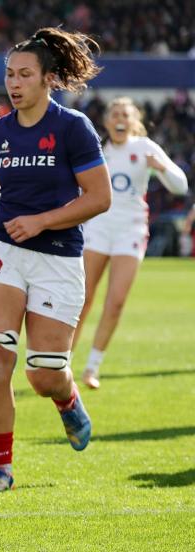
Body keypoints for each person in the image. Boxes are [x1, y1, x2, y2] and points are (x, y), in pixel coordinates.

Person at [0, 28, 112, 493]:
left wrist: (42, 221)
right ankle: (1, 468)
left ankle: (67, 397)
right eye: (10, 75)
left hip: (58, 259)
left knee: (43, 375)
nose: (13, 84)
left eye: (24, 75)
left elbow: (100, 197)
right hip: (3, 253)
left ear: (48, 79)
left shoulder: (72, 127)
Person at [75, 97, 188, 389]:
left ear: (134, 120)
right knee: (82, 298)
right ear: (108, 121)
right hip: (98, 228)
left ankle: (92, 368)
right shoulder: (97, 150)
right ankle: (62, 361)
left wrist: (161, 168)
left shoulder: (145, 148)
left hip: (131, 231)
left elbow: (181, 186)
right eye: (115, 114)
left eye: (125, 114)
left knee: (115, 303)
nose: (120, 118)